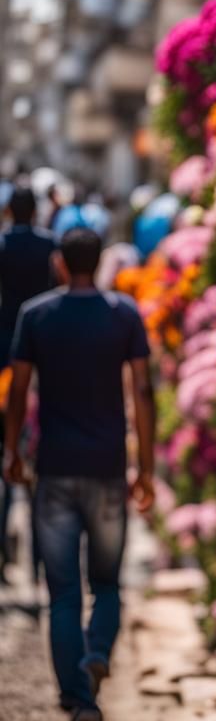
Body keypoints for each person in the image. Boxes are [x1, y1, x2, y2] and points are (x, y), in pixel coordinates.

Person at [2, 227, 155, 721]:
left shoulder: (37, 315)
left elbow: (18, 388)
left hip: (56, 470)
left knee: (62, 592)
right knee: (108, 584)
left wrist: (11, 453)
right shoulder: (124, 314)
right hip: (109, 469)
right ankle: (94, 658)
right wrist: (147, 468)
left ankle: (79, 698)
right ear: (99, 263)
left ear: (61, 264)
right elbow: (143, 392)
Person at [0, 186, 55, 581]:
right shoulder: (50, 247)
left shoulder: (2, 246)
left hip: (4, 356)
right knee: (37, 450)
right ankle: (39, 558)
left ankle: (4, 548)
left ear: (7, 211)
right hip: (44, 356)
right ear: (35, 212)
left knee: (7, 448)